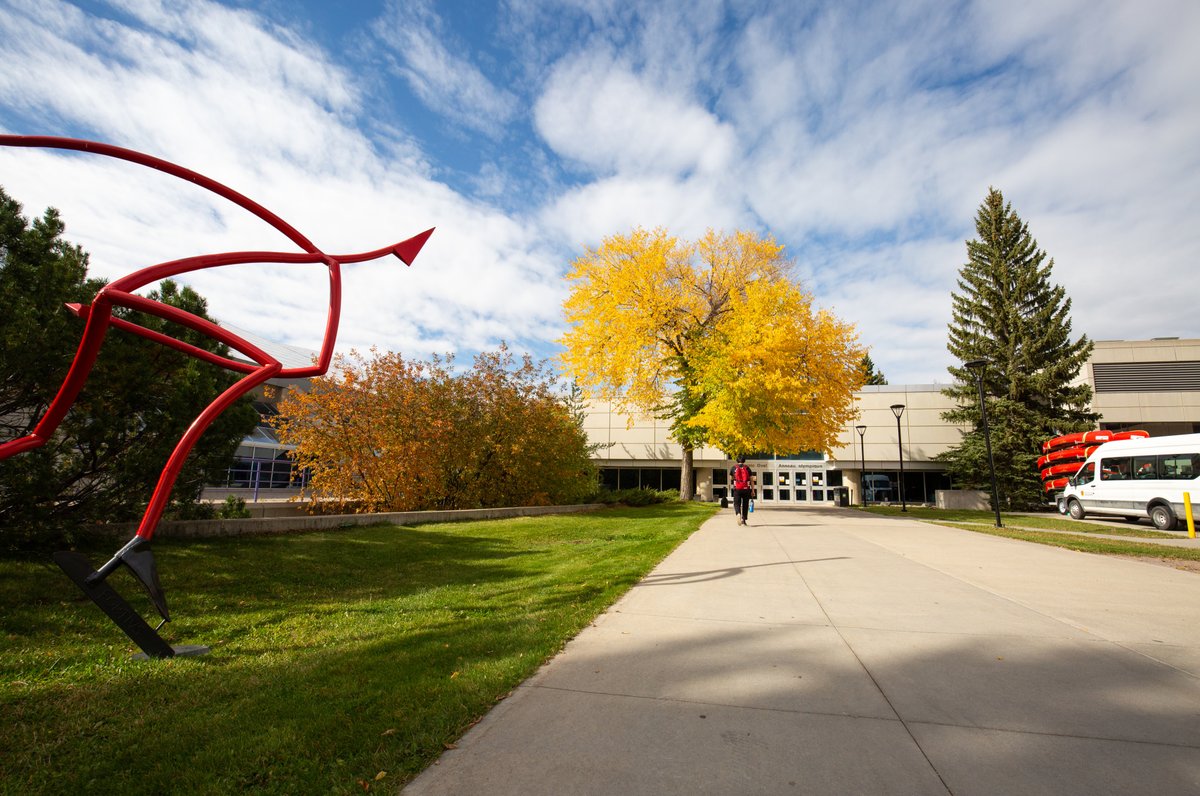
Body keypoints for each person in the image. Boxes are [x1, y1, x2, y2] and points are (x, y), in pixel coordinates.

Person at [729, 456, 756, 526]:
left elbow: (730, 478)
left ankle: (738, 513)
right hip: (746, 489)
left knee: (736, 503)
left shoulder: (734, 468)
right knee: (745, 504)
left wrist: (735, 478)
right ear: (744, 461)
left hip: (737, 489)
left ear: (737, 460)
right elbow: (751, 480)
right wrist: (753, 490)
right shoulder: (747, 468)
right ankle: (743, 520)